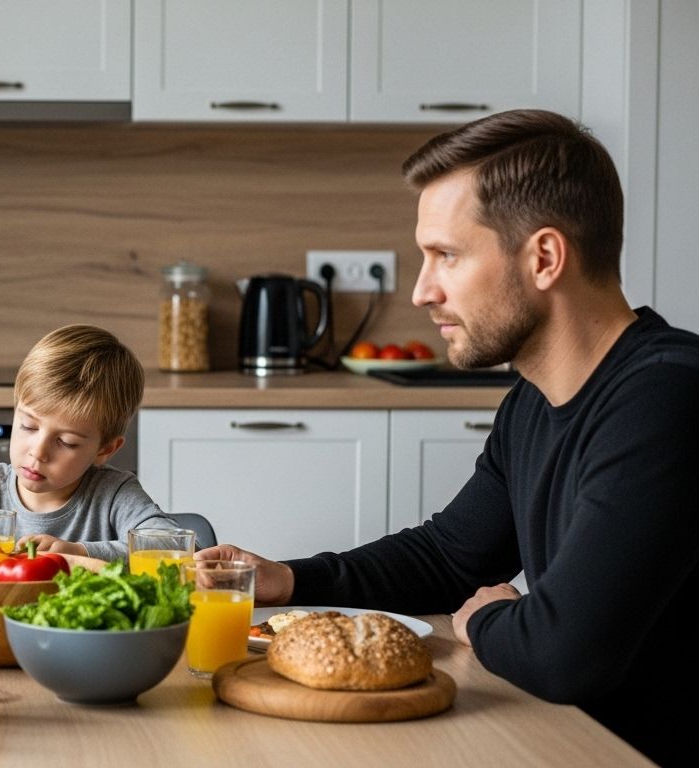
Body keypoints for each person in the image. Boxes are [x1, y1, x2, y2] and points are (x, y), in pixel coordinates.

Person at [197, 109, 698, 767]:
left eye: (446, 256)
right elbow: (450, 558)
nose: (422, 290)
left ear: (544, 257)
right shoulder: (532, 402)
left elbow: (560, 655)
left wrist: (484, 619)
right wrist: (289, 579)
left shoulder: (667, 397)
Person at [0, 324, 180, 561]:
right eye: (28, 426)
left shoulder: (114, 494)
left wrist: (79, 552)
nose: (38, 452)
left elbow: (177, 549)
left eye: (66, 442)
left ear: (105, 449)